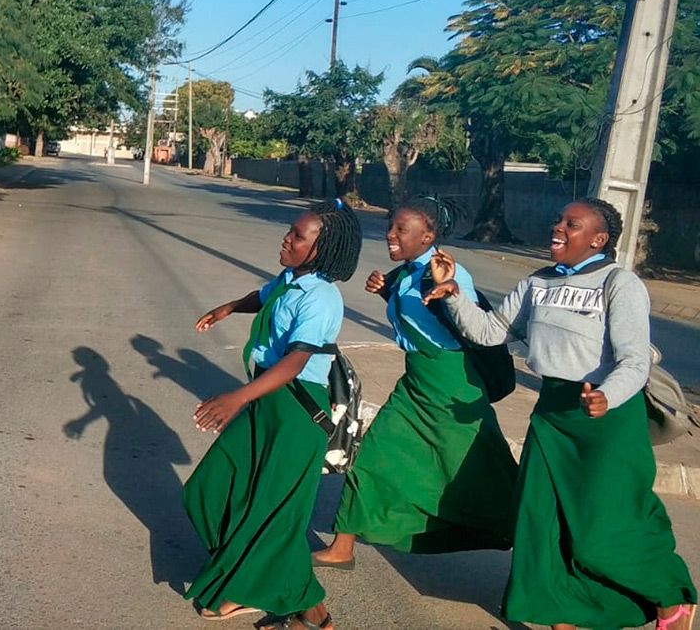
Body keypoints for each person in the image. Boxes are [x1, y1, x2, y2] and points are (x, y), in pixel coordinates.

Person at [424, 198, 696, 630]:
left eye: (572, 224)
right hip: (552, 412)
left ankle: (671, 599)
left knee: (603, 529)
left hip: (607, 417)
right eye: (559, 220)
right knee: (540, 519)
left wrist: (608, 395)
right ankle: (559, 613)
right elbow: (490, 332)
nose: (558, 227)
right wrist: (455, 294)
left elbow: (634, 360)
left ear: (598, 239)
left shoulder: (619, 283)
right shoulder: (538, 283)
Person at [183, 200, 362, 630]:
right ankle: (294, 598)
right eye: (291, 231)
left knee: (274, 511)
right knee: (210, 489)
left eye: (298, 236)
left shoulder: (321, 298)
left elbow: (297, 362)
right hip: (267, 399)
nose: (287, 238)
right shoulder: (289, 280)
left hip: (296, 408)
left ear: (319, 250)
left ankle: (270, 594)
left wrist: (238, 397)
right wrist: (227, 308)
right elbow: (261, 296)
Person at [313, 197, 517, 568]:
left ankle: (543, 546)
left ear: (428, 236)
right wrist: (386, 290)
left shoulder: (449, 272)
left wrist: (452, 288)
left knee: (485, 474)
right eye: (391, 226)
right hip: (417, 382)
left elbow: (468, 321)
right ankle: (343, 547)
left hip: (454, 388)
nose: (389, 234)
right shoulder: (407, 273)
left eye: (400, 230)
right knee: (372, 454)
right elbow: (420, 313)